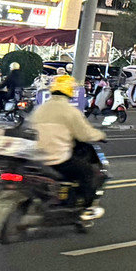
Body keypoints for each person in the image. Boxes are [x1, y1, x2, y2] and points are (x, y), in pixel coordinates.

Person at [29, 73, 106, 211]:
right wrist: (100, 135)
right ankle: (85, 207)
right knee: (88, 173)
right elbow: (84, 134)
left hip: (36, 158)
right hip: (58, 159)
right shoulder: (71, 111)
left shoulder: (40, 109)